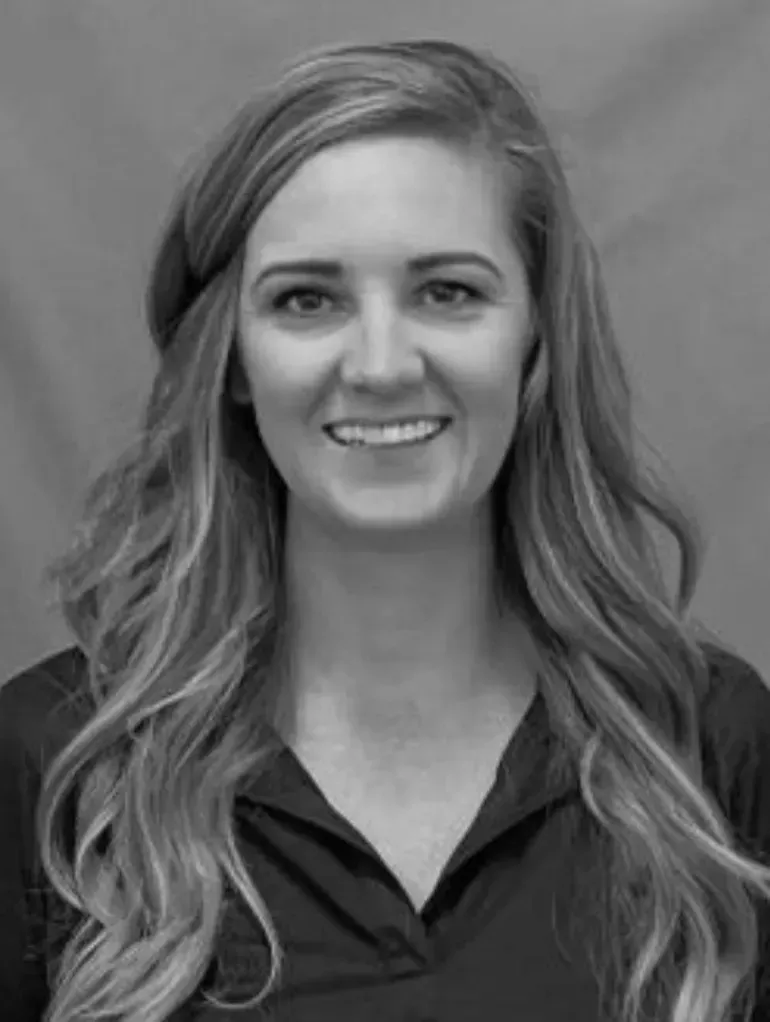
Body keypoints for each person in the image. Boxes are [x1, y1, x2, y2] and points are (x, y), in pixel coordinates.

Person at [1, 37, 769, 1022]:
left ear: (534, 335)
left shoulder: (707, 748)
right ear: (230, 358)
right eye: (306, 299)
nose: (378, 363)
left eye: (446, 291)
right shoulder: (58, 762)